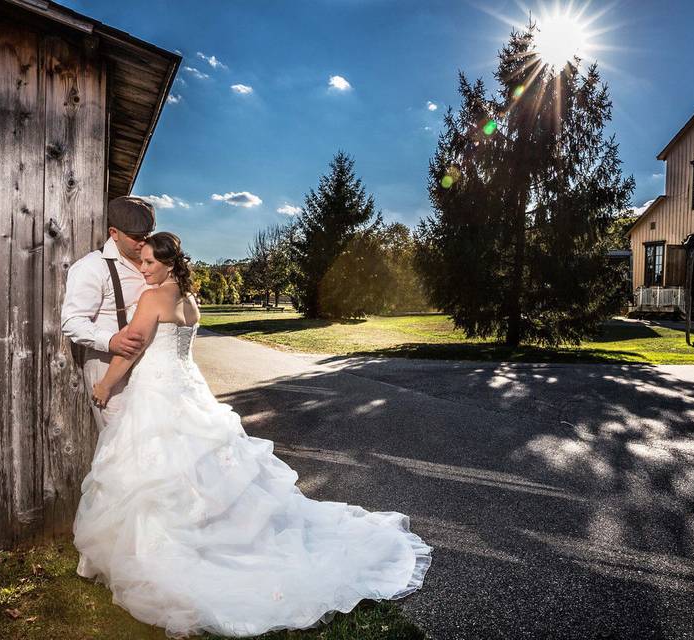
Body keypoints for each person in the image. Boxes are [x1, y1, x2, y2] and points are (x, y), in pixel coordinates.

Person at [72, 232, 432, 638]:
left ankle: (165, 555)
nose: (144, 269)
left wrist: (103, 386)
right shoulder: (189, 301)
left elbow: (131, 349)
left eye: (151, 263)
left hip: (158, 392)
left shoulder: (152, 299)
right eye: (143, 262)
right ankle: (210, 535)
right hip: (188, 387)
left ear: (169, 264)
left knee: (155, 474)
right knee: (194, 472)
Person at [61, 196, 155, 431]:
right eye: (136, 237)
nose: (143, 243)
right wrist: (111, 340)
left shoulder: (153, 263)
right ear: (114, 232)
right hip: (107, 366)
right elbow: (72, 321)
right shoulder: (92, 266)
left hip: (150, 368)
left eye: (147, 236)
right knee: (119, 446)